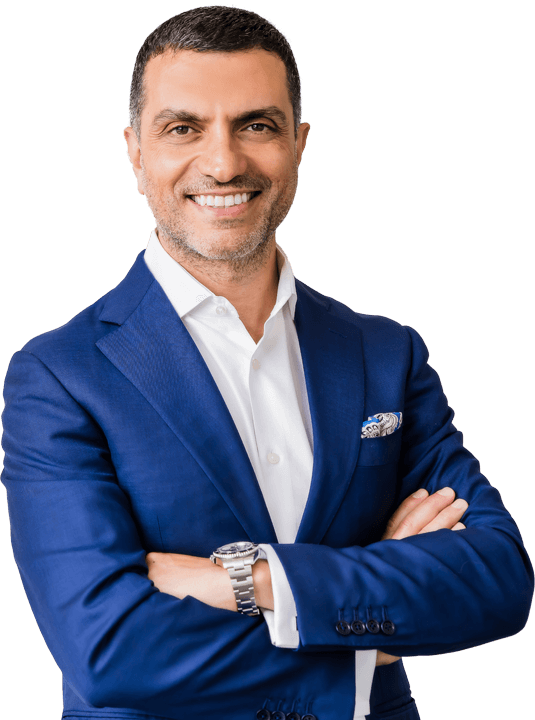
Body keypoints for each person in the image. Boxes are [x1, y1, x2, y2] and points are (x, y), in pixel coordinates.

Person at [1, 6, 532, 720]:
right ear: (135, 153)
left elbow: (498, 580)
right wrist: (370, 638)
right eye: (183, 128)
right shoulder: (60, 375)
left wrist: (249, 579)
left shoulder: (385, 353)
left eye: (256, 125)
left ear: (299, 144)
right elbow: (109, 650)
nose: (223, 163)